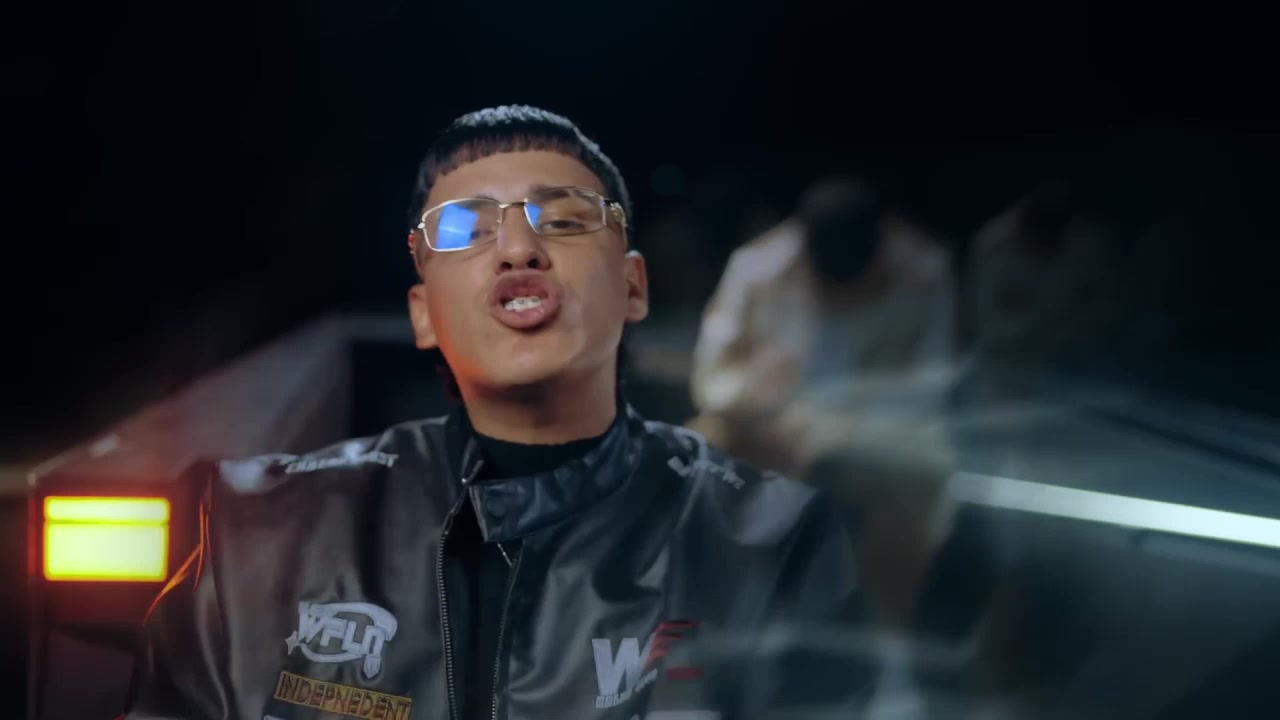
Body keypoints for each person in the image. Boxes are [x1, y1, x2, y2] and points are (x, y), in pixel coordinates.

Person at [122, 106, 872, 720]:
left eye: (565, 220)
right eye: (465, 229)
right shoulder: (254, 532)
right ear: (423, 314)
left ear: (633, 288)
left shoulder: (770, 542)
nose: (518, 248)